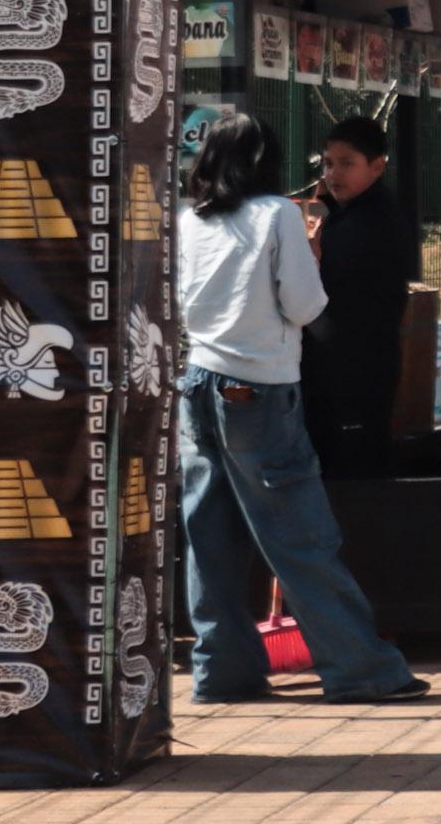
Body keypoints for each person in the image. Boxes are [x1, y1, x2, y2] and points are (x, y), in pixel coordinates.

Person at [175, 112, 425, 704]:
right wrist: (310, 255)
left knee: (209, 533)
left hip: (198, 381)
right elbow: (308, 307)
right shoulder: (279, 215)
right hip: (260, 390)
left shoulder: (190, 219)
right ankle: (361, 667)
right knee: (300, 535)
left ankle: (223, 670)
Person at [301, 115, 424, 477]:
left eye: (347, 164)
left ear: (377, 166)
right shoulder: (357, 214)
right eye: (328, 164)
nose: (333, 174)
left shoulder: (366, 223)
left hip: (351, 368)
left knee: (350, 476)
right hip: (357, 364)